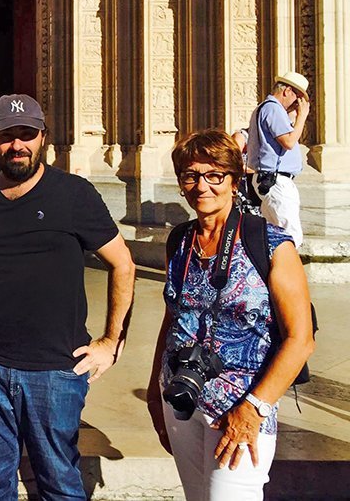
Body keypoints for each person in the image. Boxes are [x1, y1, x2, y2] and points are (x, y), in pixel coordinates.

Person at [0, 94, 135, 500]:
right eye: (7, 136)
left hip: (56, 367)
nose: (17, 145)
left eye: (27, 135)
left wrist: (110, 342)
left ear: (44, 138)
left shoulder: (74, 194)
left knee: (60, 483)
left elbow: (123, 264)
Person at [147, 129, 314, 501]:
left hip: (243, 405)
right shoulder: (180, 240)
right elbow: (173, 316)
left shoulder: (270, 243)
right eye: (190, 175)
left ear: (235, 181)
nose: (201, 186)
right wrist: (153, 389)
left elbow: (300, 339)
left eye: (214, 175)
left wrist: (253, 409)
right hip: (181, 396)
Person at [245, 71, 310, 247]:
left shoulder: (268, 108)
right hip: (276, 180)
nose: (297, 102)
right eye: (297, 96)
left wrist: (293, 117)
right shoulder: (272, 107)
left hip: (271, 179)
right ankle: (289, 272)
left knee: (273, 234)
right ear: (287, 90)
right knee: (290, 235)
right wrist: (302, 116)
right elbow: (288, 141)